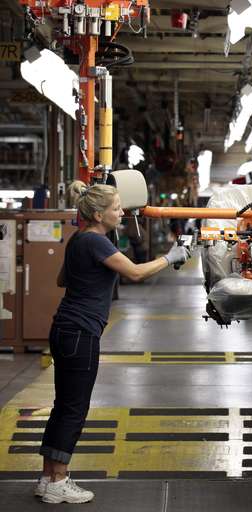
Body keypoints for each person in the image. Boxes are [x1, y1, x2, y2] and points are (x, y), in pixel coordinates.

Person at [36, 181, 191, 504]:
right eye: (117, 208)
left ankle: (49, 476)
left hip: (64, 328)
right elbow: (134, 273)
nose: (122, 212)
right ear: (97, 213)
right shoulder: (96, 242)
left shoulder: (80, 240)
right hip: (81, 332)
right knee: (74, 409)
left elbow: (62, 280)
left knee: (63, 406)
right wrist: (170, 257)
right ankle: (59, 480)